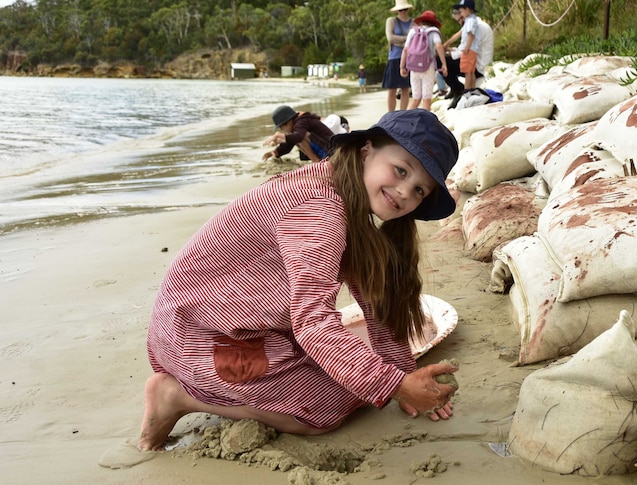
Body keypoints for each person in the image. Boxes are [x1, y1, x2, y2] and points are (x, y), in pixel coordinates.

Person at [138, 109, 461, 451]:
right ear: (367, 150)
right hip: (197, 336)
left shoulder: (346, 190)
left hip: (238, 326)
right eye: (400, 170)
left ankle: (214, 388)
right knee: (326, 409)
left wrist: (405, 377)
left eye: (419, 191)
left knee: (357, 378)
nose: (404, 192)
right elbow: (312, 321)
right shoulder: (320, 210)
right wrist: (394, 385)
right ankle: (175, 396)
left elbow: (375, 302)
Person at [441, 6, 494, 99]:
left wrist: (446, 52)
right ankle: (460, 89)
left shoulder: (474, 25)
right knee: (468, 71)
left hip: (478, 64)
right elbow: (459, 38)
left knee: (441, 61)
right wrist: (447, 47)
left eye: (461, 17)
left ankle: (462, 90)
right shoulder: (473, 23)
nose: (460, 21)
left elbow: (466, 47)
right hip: (475, 59)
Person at [400, 10, 448, 111]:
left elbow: (405, 49)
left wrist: (402, 66)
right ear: (433, 22)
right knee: (426, 99)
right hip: (428, 67)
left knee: (416, 98)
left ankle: (405, 121)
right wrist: (444, 63)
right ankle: (426, 124)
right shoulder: (434, 31)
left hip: (413, 68)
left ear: (421, 21)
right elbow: (439, 46)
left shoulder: (413, 31)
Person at [262, 105, 334, 163]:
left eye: (281, 126)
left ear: (289, 121)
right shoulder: (297, 125)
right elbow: (288, 144)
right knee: (294, 137)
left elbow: (298, 137)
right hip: (326, 150)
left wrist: (278, 135)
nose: (281, 129)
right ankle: (318, 161)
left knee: (300, 137)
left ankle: (317, 162)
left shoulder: (302, 121)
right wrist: (275, 152)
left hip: (331, 150)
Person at [383, 0, 414, 112]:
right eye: (401, 10)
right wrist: (406, 39)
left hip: (408, 58)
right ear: (397, 11)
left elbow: (414, 39)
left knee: (405, 88)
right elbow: (390, 37)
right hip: (394, 57)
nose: (403, 12)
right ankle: (390, 115)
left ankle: (402, 113)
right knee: (392, 89)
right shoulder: (391, 21)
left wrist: (399, 41)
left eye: (405, 9)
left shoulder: (413, 22)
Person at [451, 0, 479, 91]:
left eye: (461, 11)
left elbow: (471, 35)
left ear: (467, 9)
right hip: (473, 49)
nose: (461, 14)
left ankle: (467, 90)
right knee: (471, 71)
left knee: (467, 72)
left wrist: (466, 48)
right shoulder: (473, 19)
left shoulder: (470, 20)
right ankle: (472, 89)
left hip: (468, 49)